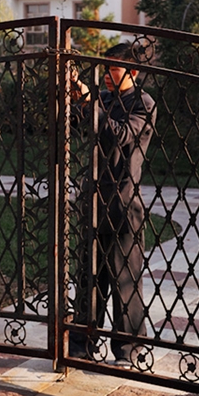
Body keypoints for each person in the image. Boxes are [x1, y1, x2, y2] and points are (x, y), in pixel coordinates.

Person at [67, 42, 156, 365]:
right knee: (89, 276)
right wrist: (77, 94)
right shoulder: (103, 99)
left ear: (132, 72)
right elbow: (77, 123)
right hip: (92, 197)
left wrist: (90, 103)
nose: (106, 75)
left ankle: (127, 349)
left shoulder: (143, 104)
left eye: (113, 69)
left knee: (124, 278)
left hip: (123, 200)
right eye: (104, 69)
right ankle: (81, 344)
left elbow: (119, 135)